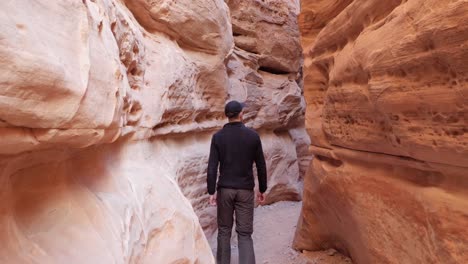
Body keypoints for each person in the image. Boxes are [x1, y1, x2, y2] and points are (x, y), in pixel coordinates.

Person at [207, 100, 267, 264]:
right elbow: (261, 165)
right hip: (245, 191)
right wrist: (262, 188)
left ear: (227, 116)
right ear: (241, 114)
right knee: (245, 233)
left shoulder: (218, 137)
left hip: (225, 190)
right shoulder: (253, 136)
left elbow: (212, 166)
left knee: (224, 231)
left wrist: (211, 191)